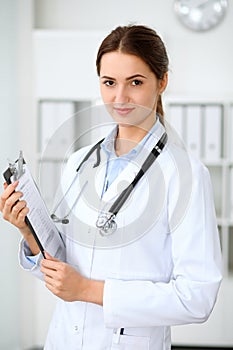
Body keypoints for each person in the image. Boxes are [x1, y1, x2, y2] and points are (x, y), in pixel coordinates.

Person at [0, 24, 222, 350]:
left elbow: (197, 296)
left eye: (135, 82)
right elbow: (67, 266)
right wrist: (28, 229)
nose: (120, 98)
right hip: (63, 338)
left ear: (162, 81)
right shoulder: (78, 161)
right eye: (109, 83)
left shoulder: (186, 175)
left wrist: (90, 290)